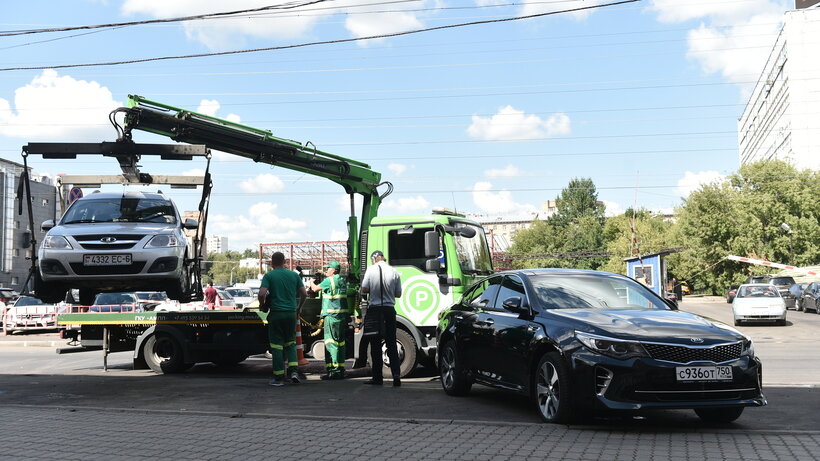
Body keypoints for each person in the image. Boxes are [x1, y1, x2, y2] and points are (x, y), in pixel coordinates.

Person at [258, 252, 307, 387]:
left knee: (277, 346)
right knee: (290, 343)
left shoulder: (269, 276)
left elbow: (262, 293)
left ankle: (279, 378)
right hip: (291, 314)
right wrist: (299, 307)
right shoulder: (293, 275)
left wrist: (262, 305)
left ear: (272, 263)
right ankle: (294, 372)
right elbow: (304, 293)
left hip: (276, 314)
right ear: (284, 261)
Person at [360, 250, 403, 387]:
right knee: (391, 342)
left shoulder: (371, 270)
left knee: (375, 344)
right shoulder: (394, 271)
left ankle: (377, 378)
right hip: (390, 310)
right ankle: (396, 375)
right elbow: (398, 293)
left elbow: (365, 289)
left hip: (375, 310)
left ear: (374, 259)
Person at [308, 260, 349, 380]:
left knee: (331, 343)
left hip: (331, 316)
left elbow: (315, 289)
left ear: (334, 270)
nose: (326, 270)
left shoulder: (329, 281)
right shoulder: (342, 280)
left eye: (328, 268)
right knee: (340, 343)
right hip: (341, 316)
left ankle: (333, 371)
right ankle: (340, 369)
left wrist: (311, 282)